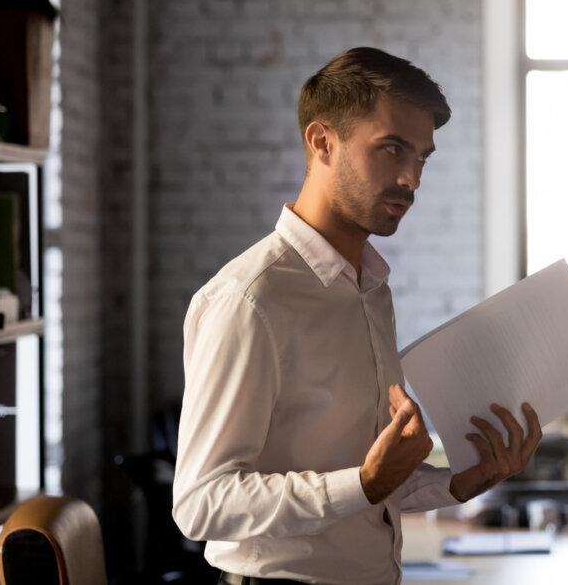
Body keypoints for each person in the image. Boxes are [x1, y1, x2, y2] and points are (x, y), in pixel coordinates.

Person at [172, 47, 541, 585]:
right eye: (392, 149)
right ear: (322, 142)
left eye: (422, 157)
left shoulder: (370, 288)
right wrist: (365, 482)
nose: (412, 178)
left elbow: (364, 484)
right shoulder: (250, 299)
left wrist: (459, 482)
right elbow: (201, 504)